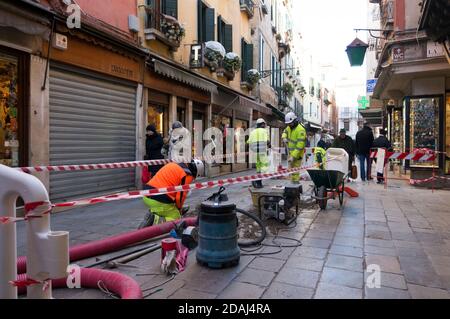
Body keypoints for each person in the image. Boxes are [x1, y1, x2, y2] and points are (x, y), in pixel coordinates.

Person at [138, 159, 205, 228]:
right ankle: (155, 219)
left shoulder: (174, 164)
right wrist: (179, 209)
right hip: (159, 199)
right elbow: (180, 196)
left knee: (165, 210)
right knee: (177, 219)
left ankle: (150, 218)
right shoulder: (187, 174)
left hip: (147, 194)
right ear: (196, 172)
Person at [282, 112, 307, 184]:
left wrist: (293, 156)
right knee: (292, 171)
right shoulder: (289, 127)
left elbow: (300, 145)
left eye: (290, 123)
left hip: (297, 155)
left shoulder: (300, 130)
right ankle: (293, 185)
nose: (289, 125)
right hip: (291, 153)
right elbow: (285, 131)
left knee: (295, 172)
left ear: (294, 121)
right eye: (288, 124)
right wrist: (284, 137)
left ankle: (296, 185)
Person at [247, 118, 271, 188]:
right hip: (262, 152)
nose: (264, 125)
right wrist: (270, 146)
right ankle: (256, 181)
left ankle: (259, 183)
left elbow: (248, 143)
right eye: (264, 124)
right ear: (262, 124)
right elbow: (267, 141)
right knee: (265, 167)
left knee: (259, 168)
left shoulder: (252, 132)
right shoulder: (264, 131)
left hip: (255, 152)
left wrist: (253, 149)